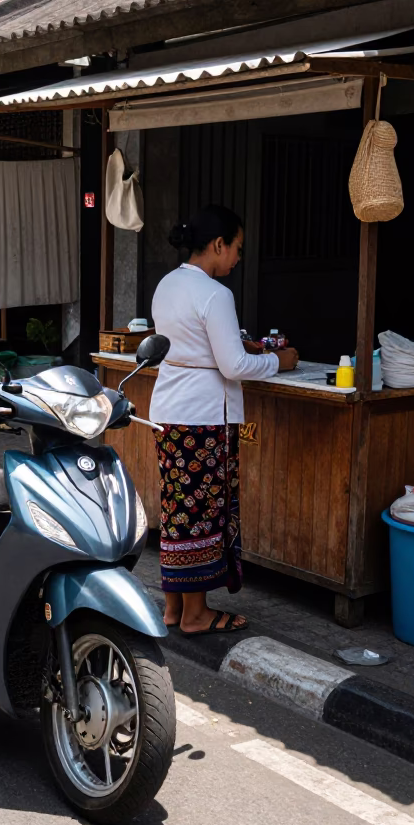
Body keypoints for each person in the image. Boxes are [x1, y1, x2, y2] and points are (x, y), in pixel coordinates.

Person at [149, 204, 298, 636]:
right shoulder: (216, 294)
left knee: (178, 510)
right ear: (217, 244)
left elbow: (197, 347)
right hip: (203, 419)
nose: (236, 257)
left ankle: (175, 608)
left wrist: (246, 350)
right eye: (236, 248)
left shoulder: (167, 284)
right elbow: (231, 366)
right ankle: (197, 615)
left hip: (170, 414)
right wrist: (277, 361)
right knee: (200, 512)